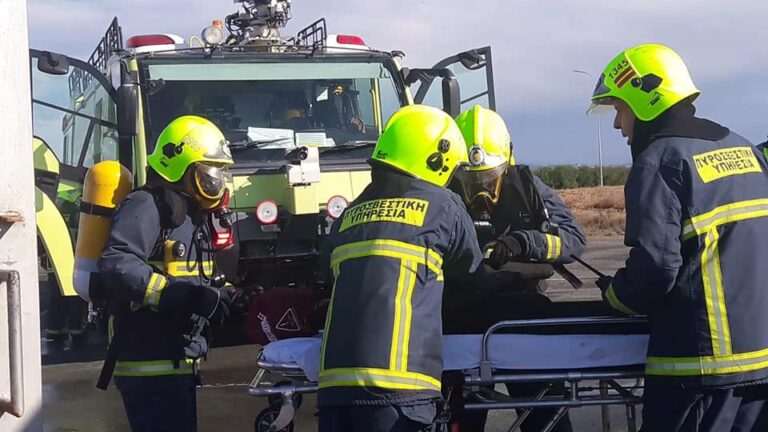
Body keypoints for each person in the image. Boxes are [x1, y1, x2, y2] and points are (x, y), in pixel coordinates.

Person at [589, 44, 768, 431]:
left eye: (620, 109)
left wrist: (616, 295)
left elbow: (655, 268)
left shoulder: (659, 162)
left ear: (644, 99)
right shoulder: (745, 149)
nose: (618, 125)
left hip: (698, 371)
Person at [317, 104, 484, 432]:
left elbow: (326, 275)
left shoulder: (348, 215)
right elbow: (472, 279)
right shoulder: (443, 205)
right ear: (437, 159)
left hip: (335, 390)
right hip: (402, 390)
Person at [443, 105, 587, 431]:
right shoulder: (442, 194)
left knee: (546, 417)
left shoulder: (529, 188)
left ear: (508, 158)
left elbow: (573, 241)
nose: (479, 188)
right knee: (460, 418)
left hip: (523, 317)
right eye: (469, 178)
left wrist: (525, 243)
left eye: (488, 178)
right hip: (462, 319)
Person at [98, 115, 235, 432]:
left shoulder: (187, 215)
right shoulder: (146, 204)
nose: (216, 183)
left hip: (176, 360)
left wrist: (224, 296)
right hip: (149, 363)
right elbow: (117, 262)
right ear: (180, 167)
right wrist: (177, 296)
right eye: (208, 173)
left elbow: (193, 277)